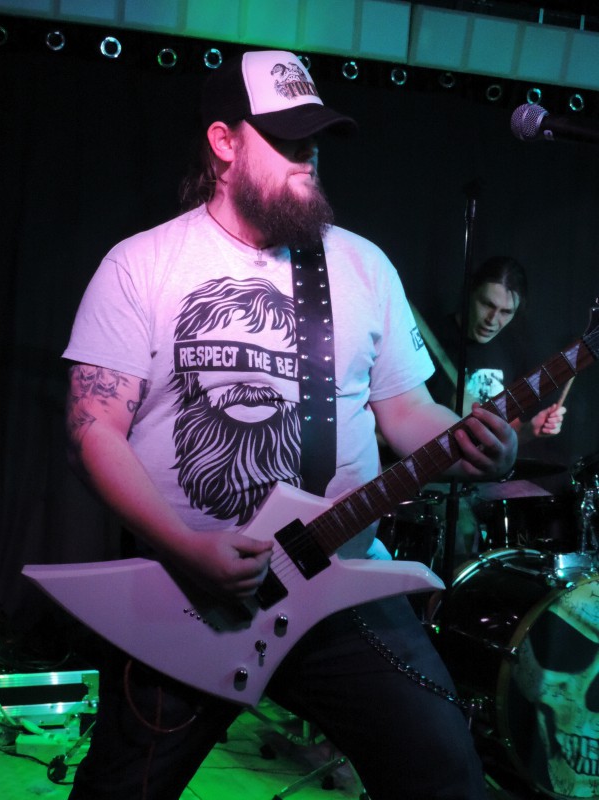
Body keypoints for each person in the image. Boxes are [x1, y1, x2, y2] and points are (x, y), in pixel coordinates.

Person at [62, 50, 517, 800]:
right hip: (188, 597)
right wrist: (188, 548)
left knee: (445, 771)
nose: (308, 157)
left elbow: (407, 412)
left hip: (341, 584)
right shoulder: (141, 265)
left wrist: (478, 447)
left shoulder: (363, 266)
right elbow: (92, 431)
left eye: (315, 140)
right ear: (223, 142)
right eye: (286, 139)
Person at [424, 256, 567, 557]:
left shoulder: (507, 349)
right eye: (487, 304)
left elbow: (503, 431)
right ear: (470, 293)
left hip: (484, 479)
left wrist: (529, 430)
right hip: (437, 478)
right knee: (461, 534)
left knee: (545, 513)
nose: (493, 319)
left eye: (506, 312)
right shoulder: (429, 341)